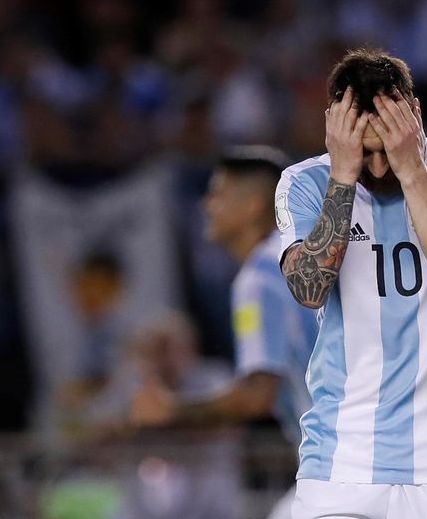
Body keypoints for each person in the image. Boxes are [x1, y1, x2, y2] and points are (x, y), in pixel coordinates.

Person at [274, 47, 427, 519]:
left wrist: (411, 167)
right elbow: (309, 290)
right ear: (337, 128)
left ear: (414, 116)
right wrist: (342, 173)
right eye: (365, 152)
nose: (378, 168)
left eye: (386, 149)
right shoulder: (304, 183)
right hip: (339, 466)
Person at [131, 146, 320, 519]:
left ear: (252, 205)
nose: (205, 205)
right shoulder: (300, 259)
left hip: (346, 465)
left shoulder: (260, 277)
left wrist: (171, 409)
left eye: (218, 193)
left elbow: (256, 396)